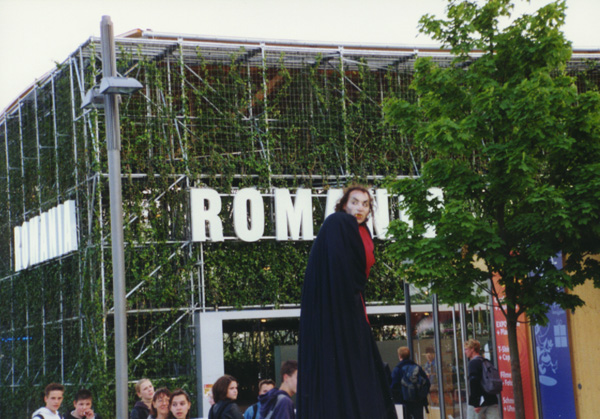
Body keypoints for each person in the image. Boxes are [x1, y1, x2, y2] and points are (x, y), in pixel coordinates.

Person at [297, 184, 397, 419]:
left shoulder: (362, 231)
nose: (360, 208)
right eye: (354, 202)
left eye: (365, 204)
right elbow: (338, 268)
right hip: (344, 307)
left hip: (352, 305)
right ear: (343, 205)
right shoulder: (339, 223)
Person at [464, 339, 501, 419]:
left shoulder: (473, 363)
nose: (465, 352)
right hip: (491, 398)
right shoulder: (487, 361)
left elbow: (474, 382)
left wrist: (475, 403)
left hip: (479, 401)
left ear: (472, 349)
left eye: (466, 349)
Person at [390, 347, 430, 419]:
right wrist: (422, 395)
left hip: (404, 403)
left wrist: (398, 400)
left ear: (399, 356)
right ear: (409, 355)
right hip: (418, 402)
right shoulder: (417, 367)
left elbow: (393, 387)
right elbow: (427, 383)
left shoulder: (397, 369)